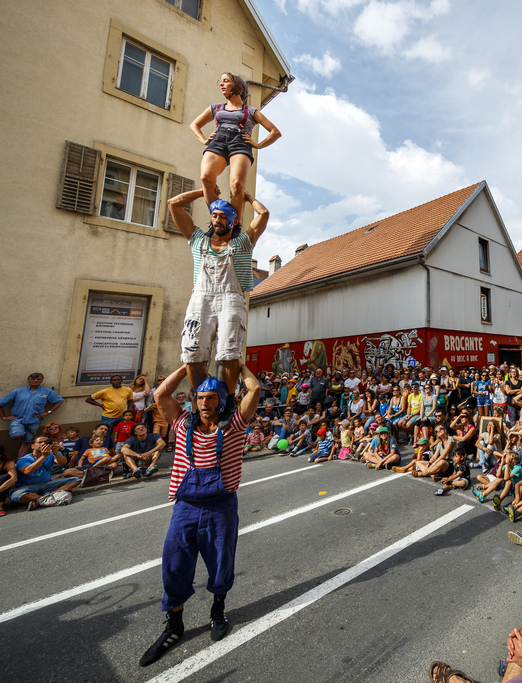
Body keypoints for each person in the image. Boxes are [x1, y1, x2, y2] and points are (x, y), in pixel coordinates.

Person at [138, 362, 261, 667]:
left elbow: (254, 389)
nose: (204, 403)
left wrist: (238, 364)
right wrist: (189, 365)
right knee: (174, 564)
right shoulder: (182, 423)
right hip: (186, 508)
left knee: (221, 561)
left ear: (222, 401)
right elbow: (160, 393)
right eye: (200, 398)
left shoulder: (234, 426)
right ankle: (174, 625)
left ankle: (218, 611)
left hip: (221, 507)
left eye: (211, 398)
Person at [167, 186, 270, 418]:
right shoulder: (197, 239)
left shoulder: (243, 242)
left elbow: (263, 215)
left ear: (233, 221)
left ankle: (228, 401)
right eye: (214, 215)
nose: (218, 219)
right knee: (191, 354)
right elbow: (173, 203)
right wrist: (203, 191)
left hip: (231, 297)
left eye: (223, 216)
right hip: (201, 297)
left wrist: (247, 197)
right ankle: (203, 398)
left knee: (228, 353)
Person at [191, 72, 281, 218]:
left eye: (226, 81)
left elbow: (275, 132)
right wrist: (204, 140)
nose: (221, 84)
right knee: (206, 178)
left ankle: (235, 225)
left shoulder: (251, 112)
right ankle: (218, 219)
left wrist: (257, 145)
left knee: (237, 184)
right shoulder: (216, 108)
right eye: (220, 81)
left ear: (237, 86)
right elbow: (194, 125)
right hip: (218, 141)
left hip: (240, 143)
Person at [1, 372, 64, 457]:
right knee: (17, 435)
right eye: (33, 379)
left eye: (38, 379)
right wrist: (3, 417)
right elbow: (1, 403)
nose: (35, 381)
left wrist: (48, 412)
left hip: (34, 420)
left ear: (41, 381)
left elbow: (59, 401)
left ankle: (20, 463)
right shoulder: (18, 392)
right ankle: (23, 440)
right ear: (28, 381)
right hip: (18, 420)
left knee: (27, 443)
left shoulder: (47, 391)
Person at [9, 435, 81, 509]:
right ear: (32, 446)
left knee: (76, 480)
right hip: (27, 487)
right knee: (16, 496)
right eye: (40, 442)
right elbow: (27, 471)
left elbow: (63, 462)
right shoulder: (24, 459)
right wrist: (43, 456)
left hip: (46, 484)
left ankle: (40, 501)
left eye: (46, 442)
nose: (43, 444)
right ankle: (50, 498)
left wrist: (56, 454)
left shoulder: (51, 454)